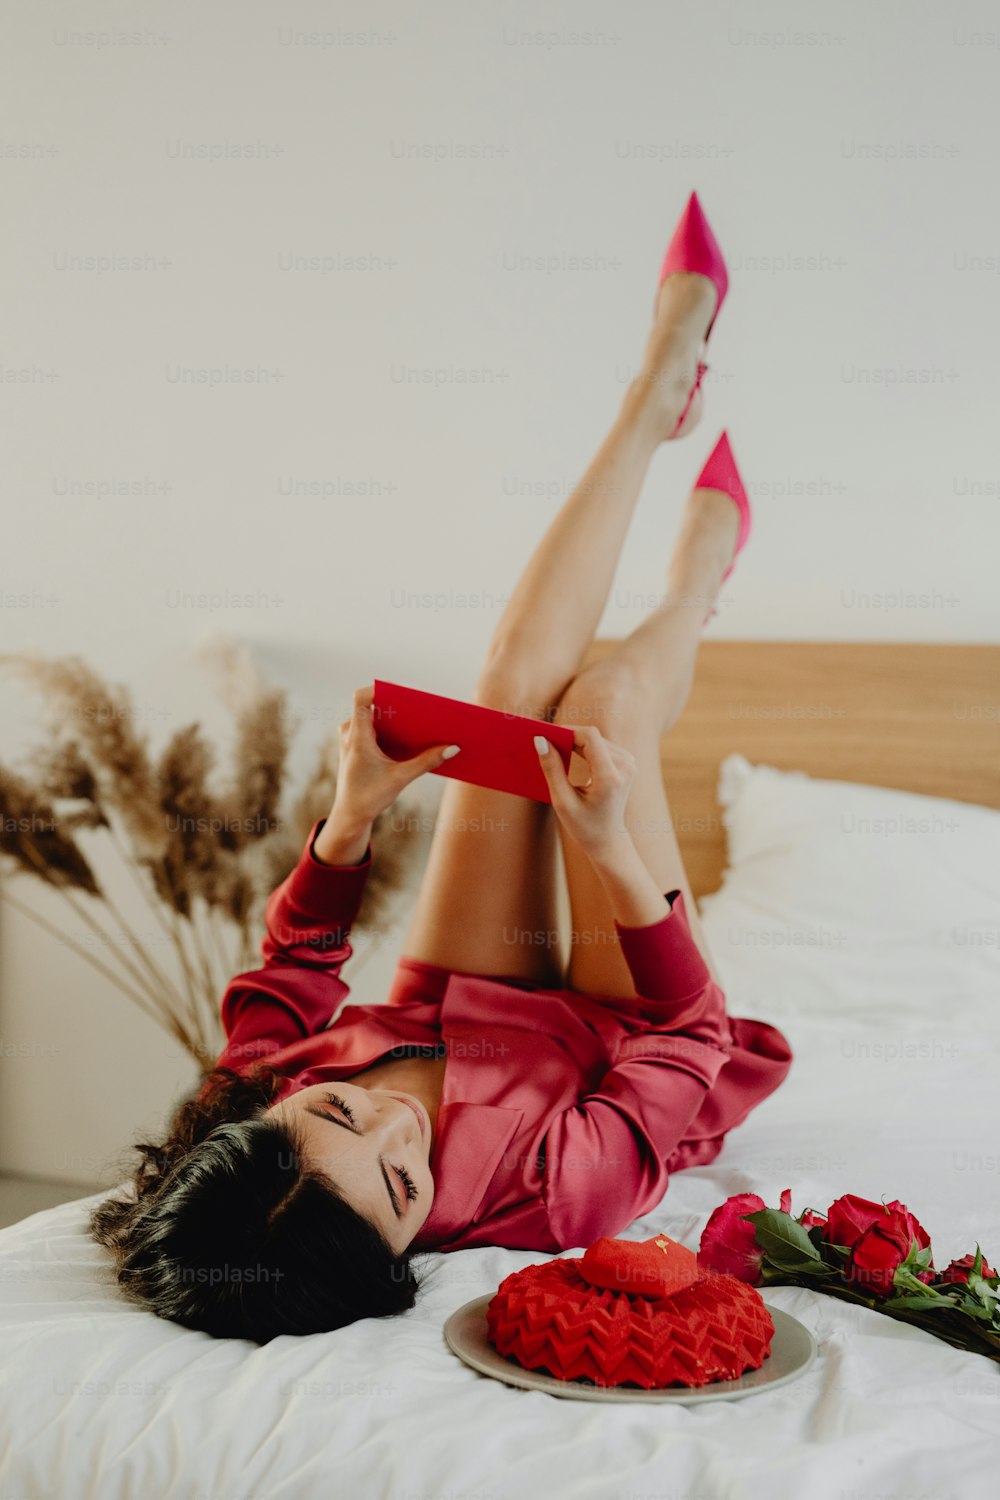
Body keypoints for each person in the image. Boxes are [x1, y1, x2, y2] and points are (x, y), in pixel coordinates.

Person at [90, 193, 793, 1343]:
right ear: (403, 1255)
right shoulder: (555, 1188)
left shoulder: (249, 1115)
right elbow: (686, 1037)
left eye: (340, 1107)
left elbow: (294, 970)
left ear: (274, 1111)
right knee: (603, 709)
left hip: (463, 999)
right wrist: (606, 847)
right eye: (402, 1185)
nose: (396, 1130)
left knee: (510, 701)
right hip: (629, 1031)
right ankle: (696, 586)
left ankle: (655, 391)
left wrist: (349, 821)